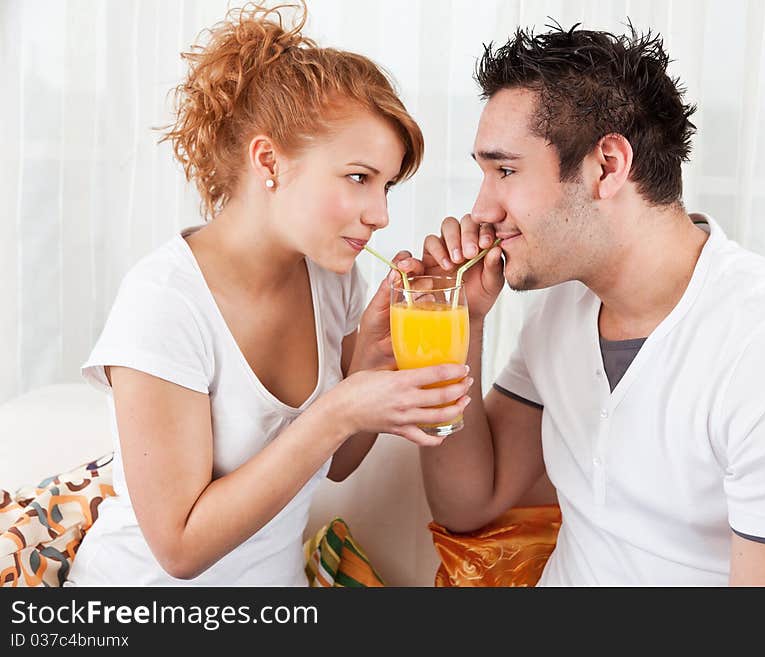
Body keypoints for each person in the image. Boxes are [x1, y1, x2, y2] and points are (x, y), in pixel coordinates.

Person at [401, 23, 765, 585]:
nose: (481, 209)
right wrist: (462, 324)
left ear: (608, 165)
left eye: (505, 170)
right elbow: (468, 504)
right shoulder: (561, 313)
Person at [65, 2, 471, 586]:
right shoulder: (164, 302)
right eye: (359, 177)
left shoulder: (333, 278)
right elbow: (179, 549)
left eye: (386, 186)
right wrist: (339, 408)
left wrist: (373, 367)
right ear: (269, 161)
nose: (380, 214)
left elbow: (335, 465)